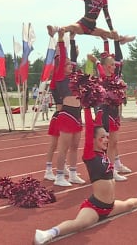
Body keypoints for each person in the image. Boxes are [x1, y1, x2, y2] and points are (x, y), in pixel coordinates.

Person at [34, 107, 137, 245]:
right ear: (92, 139)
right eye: (102, 137)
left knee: (129, 205)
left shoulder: (104, 154)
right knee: (79, 224)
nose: (106, 140)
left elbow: (100, 121)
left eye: (107, 137)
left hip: (110, 206)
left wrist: (102, 108)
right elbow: (90, 127)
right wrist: (88, 108)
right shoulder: (90, 155)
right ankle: (48, 233)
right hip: (95, 207)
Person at [88, 36, 132, 181]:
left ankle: (111, 169)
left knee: (113, 142)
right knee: (105, 143)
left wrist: (111, 40)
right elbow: (101, 63)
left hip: (114, 111)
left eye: (114, 65)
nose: (114, 66)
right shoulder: (102, 75)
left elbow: (117, 58)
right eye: (112, 65)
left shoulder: (115, 77)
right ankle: (106, 169)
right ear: (106, 66)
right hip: (104, 111)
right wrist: (96, 60)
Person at [47, 0, 134, 44]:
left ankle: (123, 39)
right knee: (72, 27)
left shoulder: (104, 0)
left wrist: (112, 29)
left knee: (110, 34)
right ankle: (55, 29)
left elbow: (107, 16)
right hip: (83, 24)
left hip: (92, 26)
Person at [48, 30, 85, 187]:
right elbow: (63, 56)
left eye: (71, 64)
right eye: (67, 64)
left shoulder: (74, 77)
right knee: (63, 147)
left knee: (75, 146)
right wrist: (62, 39)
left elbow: (74, 59)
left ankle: (73, 173)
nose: (70, 65)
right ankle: (59, 176)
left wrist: (73, 39)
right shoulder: (59, 76)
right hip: (67, 113)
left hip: (77, 113)